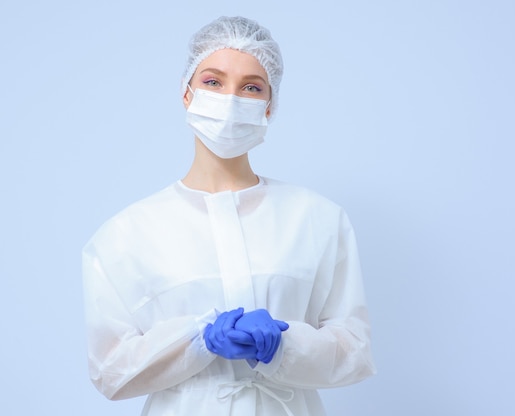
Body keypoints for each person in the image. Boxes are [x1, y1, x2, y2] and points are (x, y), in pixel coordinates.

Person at [82, 16, 375, 416]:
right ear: (187, 93)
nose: (231, 99)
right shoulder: (127, 234)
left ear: (269, 107)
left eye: (251, 87)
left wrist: (285, 346)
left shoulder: (317, 219)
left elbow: (354, 352)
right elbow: (110, 372)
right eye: (213, 82)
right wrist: (197, 338)